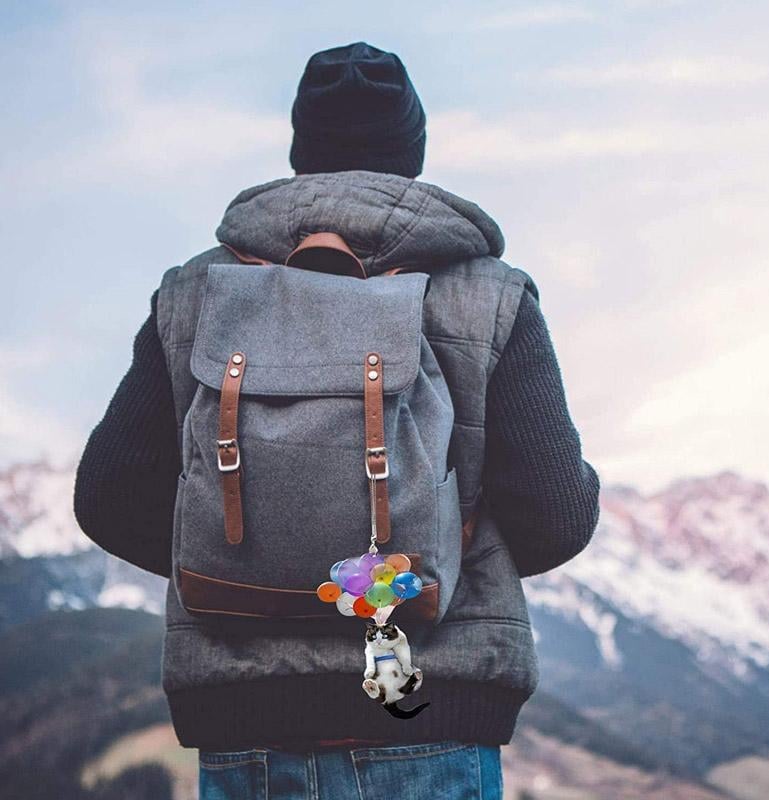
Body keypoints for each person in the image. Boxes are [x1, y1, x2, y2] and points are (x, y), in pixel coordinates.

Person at [73, 41, 601, 800]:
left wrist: (253, 569)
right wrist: (415, 562)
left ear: (301, 152)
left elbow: (109, 498)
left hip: (241, 724)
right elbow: (555, 517)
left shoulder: (194, 292)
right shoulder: (489, 294)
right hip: (426, 711)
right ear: (411, 151)